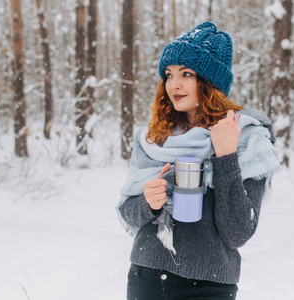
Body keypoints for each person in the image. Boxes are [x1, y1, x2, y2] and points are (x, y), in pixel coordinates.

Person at [117, 21, 281, 300]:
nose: (174, 85)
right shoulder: (155, 137)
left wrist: (226, 156)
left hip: (208, 285)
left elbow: (238, 232)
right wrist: (149, 203)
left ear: (209, 82)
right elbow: (128, 214)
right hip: (145, 276)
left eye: (187, 74)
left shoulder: (247, 139)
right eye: (168, 75)